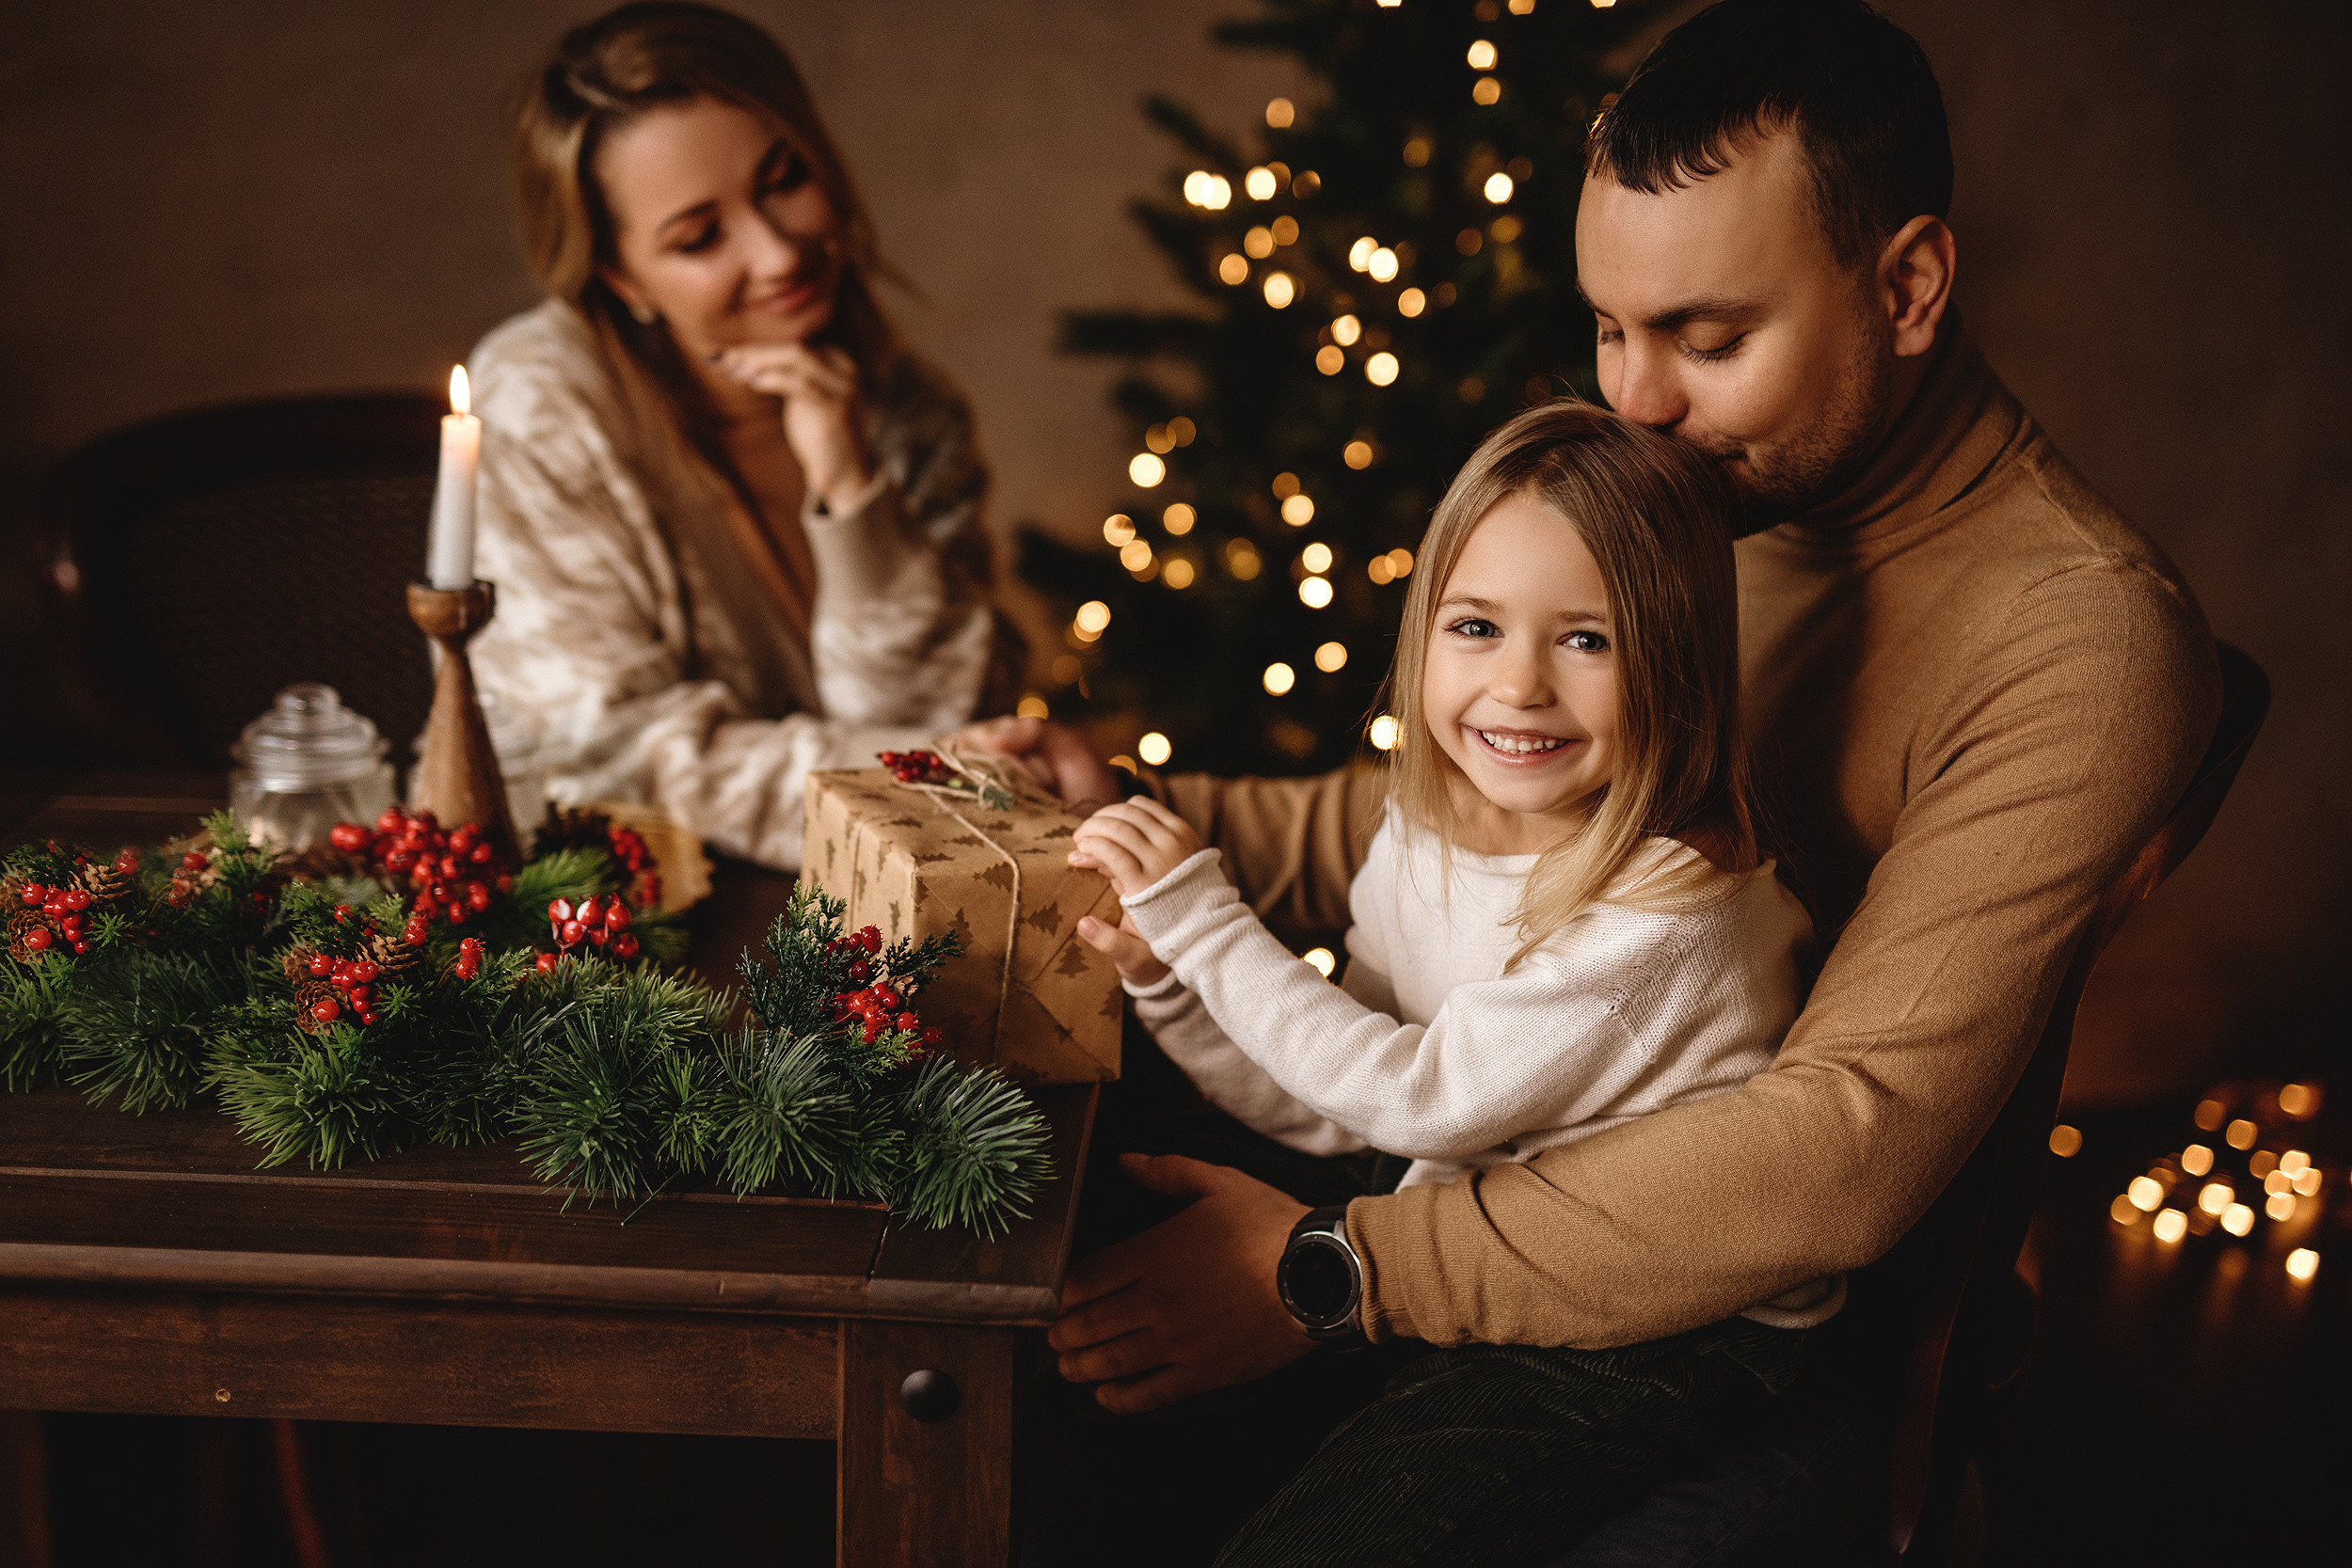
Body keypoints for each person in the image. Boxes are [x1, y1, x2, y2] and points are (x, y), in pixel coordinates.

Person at [972, 0, 2221, 1559]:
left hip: (1732, 1333)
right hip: (1485, 1151)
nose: (1635, 400)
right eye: (1611, 328)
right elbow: (1450, 817)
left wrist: (1334, 1269)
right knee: (1014, 1239)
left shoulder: (2076, 637)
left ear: (1906, 286)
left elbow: (1833, 1154)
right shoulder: (1711, 505)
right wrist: (1156, 815)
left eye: (1706, 337)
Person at [468, 0, 1016, 872]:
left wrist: (850, 487)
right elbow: (619, 756)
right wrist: (947, 782)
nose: (778, 254)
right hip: (637, 936)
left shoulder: (910, 407)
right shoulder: (541, 400)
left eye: (784, 179)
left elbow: (936, 708)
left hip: (897, 900)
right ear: (618, 275)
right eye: (700, 237)